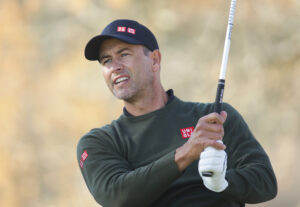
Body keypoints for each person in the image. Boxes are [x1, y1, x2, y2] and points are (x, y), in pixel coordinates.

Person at [77, 19, 277, 207]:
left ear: (155, 60)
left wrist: (223, 181)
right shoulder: (101, 141)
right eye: (106, 61)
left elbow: (266, 183)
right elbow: (115, 195)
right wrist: (187, 153)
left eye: (124, 54)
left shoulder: (214, 118)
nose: (115, 67)